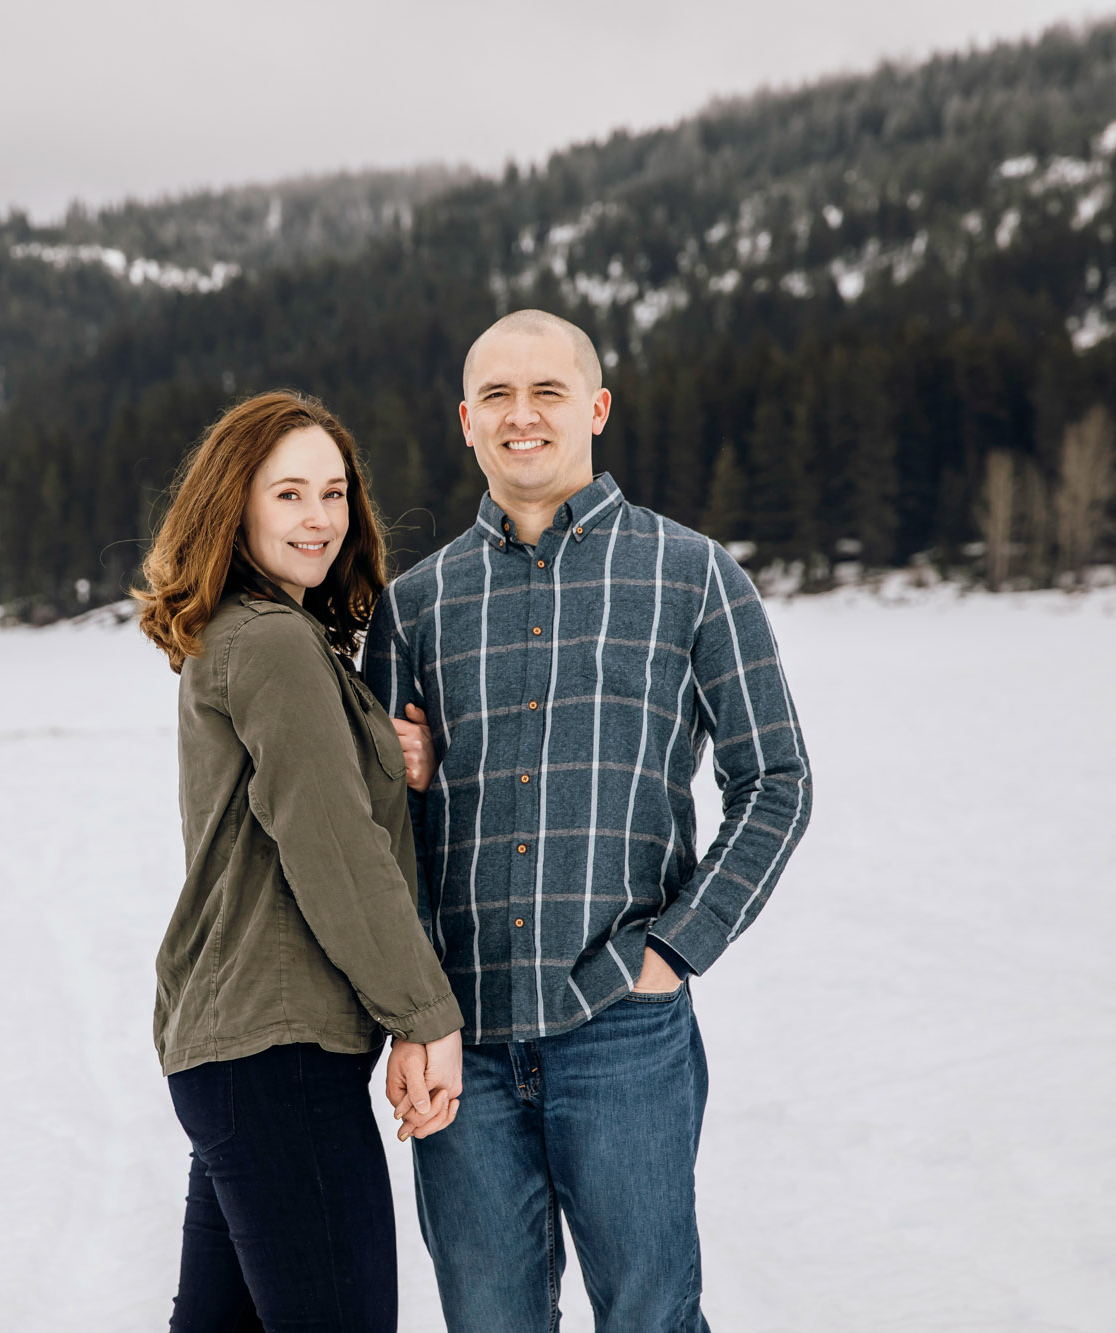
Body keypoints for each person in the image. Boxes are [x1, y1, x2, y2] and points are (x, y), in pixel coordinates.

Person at [364, 310, 813, 1332]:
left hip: (621, 1027)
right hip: (460, 1044)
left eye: (547, 392)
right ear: (464, 423)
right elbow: (374, 827)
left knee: (650, 1317)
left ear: (596, 409)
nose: (521, 416)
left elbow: (775, 779)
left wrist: (673, 949)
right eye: (496, 397)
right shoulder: (414, 605)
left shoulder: (690, 575)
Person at [134, 389, 467, 1333]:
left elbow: (312, 811)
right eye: (289, 494)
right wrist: (424, 1014)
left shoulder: (252, 636)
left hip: (237, 1053)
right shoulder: (276, 641)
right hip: (278, 1057)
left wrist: (392, 757)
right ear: (233, 504)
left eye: (334, 493)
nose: (320, 519)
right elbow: (331, 846)